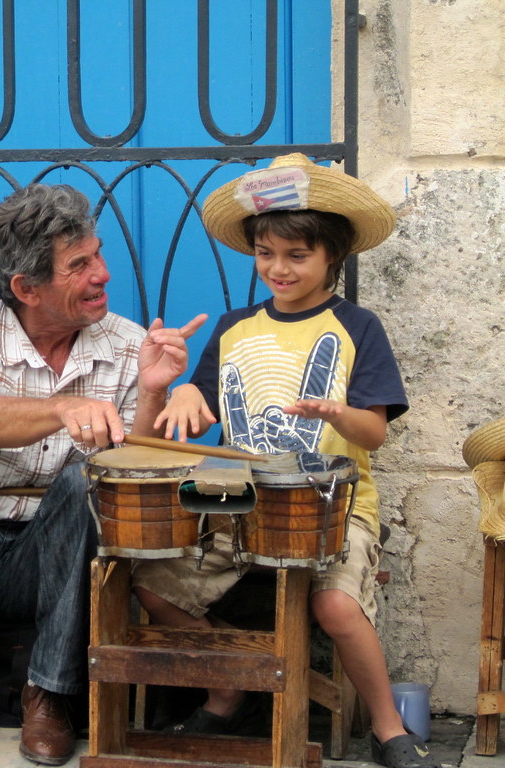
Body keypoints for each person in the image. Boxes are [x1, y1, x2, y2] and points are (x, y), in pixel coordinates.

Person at [0, 183, 207, 768]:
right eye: (78, 265)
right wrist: (62, 409)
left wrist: (156, 391)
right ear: (26, 288)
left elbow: (138, 468)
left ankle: (49, 694)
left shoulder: (131, 344)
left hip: (60, 559)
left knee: (92, 478)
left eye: (97, 255)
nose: (102, 274)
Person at [137, 153, 436, 768]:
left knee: (334, 605)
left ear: (332, 256)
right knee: (148, 582)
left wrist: (336, 414)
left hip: (336, 504)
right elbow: (202, 403)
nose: (278, 268)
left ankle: (388, 728)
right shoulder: (234, 327)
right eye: (266, 253)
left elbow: (374, 433)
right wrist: (187, 390)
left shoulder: (357, 326)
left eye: (297, 256)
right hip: (238, 499)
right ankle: (228, 682)